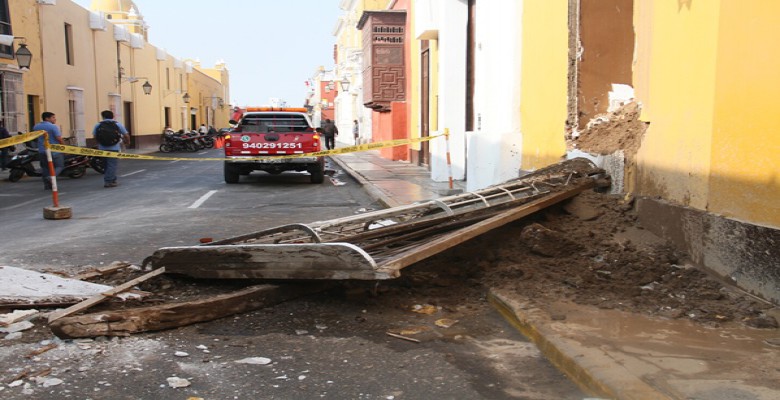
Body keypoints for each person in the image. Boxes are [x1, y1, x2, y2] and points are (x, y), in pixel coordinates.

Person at [92, 110, 129, 188]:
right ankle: (109, 181)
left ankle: (112, 179)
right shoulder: (118, 124)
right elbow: (126, 135)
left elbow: (95, 136)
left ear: (103, 117)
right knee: (112, 165)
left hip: (102, 148)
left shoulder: (98, 125)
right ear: (113, 116)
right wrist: (127, 142)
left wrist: (99, 143)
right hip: (114, 148)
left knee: (105, 165)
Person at [33, 112, 64, 190]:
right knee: (59, 166)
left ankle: (47, 185)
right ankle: (51, 178)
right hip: (54, 150)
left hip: (42, 150)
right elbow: (59, 138)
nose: (55, 119)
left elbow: (35, 138)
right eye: (53, 117)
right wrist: (63, 146)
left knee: (45, 168)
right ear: (47, 118)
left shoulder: (36, 126)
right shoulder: (53, 127)